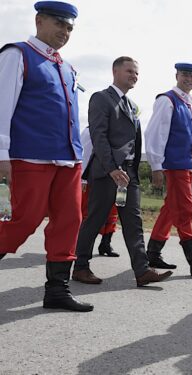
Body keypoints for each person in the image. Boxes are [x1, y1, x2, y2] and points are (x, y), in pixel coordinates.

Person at [0, 1, 92, 311]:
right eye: (59, 24)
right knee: (25, 220)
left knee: (70, 220)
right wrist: (1, 153)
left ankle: (57, 291)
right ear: (39, 21)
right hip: (30, 156)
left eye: (69, 27)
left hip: (68, 158)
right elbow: (2, 106)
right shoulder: (17, 54)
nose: (65, 31)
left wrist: (80, 155)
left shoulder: (67, 67)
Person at [72, 56, 172, 287]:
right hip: (109, 173)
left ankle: (142, 270)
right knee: (95, 220)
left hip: (128, 175)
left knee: (133, 222)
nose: (134, 76)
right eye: (129, 71)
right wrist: (112, 169)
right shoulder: (101, 98)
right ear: (115, 71)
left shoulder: (130, 105)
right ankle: (80, 267)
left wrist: (131, 171)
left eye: (136, 73)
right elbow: (99, 137)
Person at [144, 63, 192, 277]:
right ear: (176, 75)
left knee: (170, 209)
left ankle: (153, 253)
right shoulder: (167, 100)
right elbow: (154, 134)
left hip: (187, 163)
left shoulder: (189, 103)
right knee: (185, 209)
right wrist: (156, 165)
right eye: (185, 75)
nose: (188, 79)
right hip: (174, 164)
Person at [80, 125, 120, 257]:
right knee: (89, 214)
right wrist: (83, 179)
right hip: (94, 177)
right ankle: (84, 248)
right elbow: (85, 154)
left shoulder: (117, 130)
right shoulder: (90, 131)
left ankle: (105, 244)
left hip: (115, 177)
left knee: (113, 212)